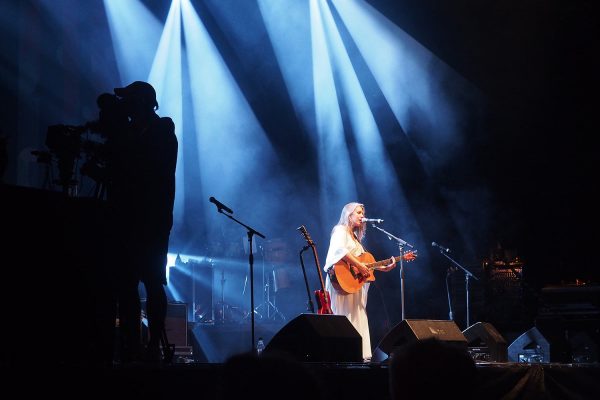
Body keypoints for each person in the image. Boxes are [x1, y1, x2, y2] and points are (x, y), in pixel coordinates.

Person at [107, 81, 178, 363]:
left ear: (144, 102)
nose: (126, 107)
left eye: (131, 101)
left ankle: (153, 347)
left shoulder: (162, 129)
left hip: (152, 220)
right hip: (128, 218)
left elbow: (145, 165)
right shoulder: (131, 133)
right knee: (126, 284)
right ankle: (131, 344)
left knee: (151, 281)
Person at [323, 202, 396, 362]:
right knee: (344, 317)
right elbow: (339, 251)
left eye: (363, 213)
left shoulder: (355, 237)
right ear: (349, 215)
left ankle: (358, 356)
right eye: (359, 213)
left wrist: (383, 268)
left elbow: (364, 265)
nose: (362, 216)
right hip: (342, 282)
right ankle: (342, 356)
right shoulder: (340, 230)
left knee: (357, 316)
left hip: (354, 286)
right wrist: (358, 265)